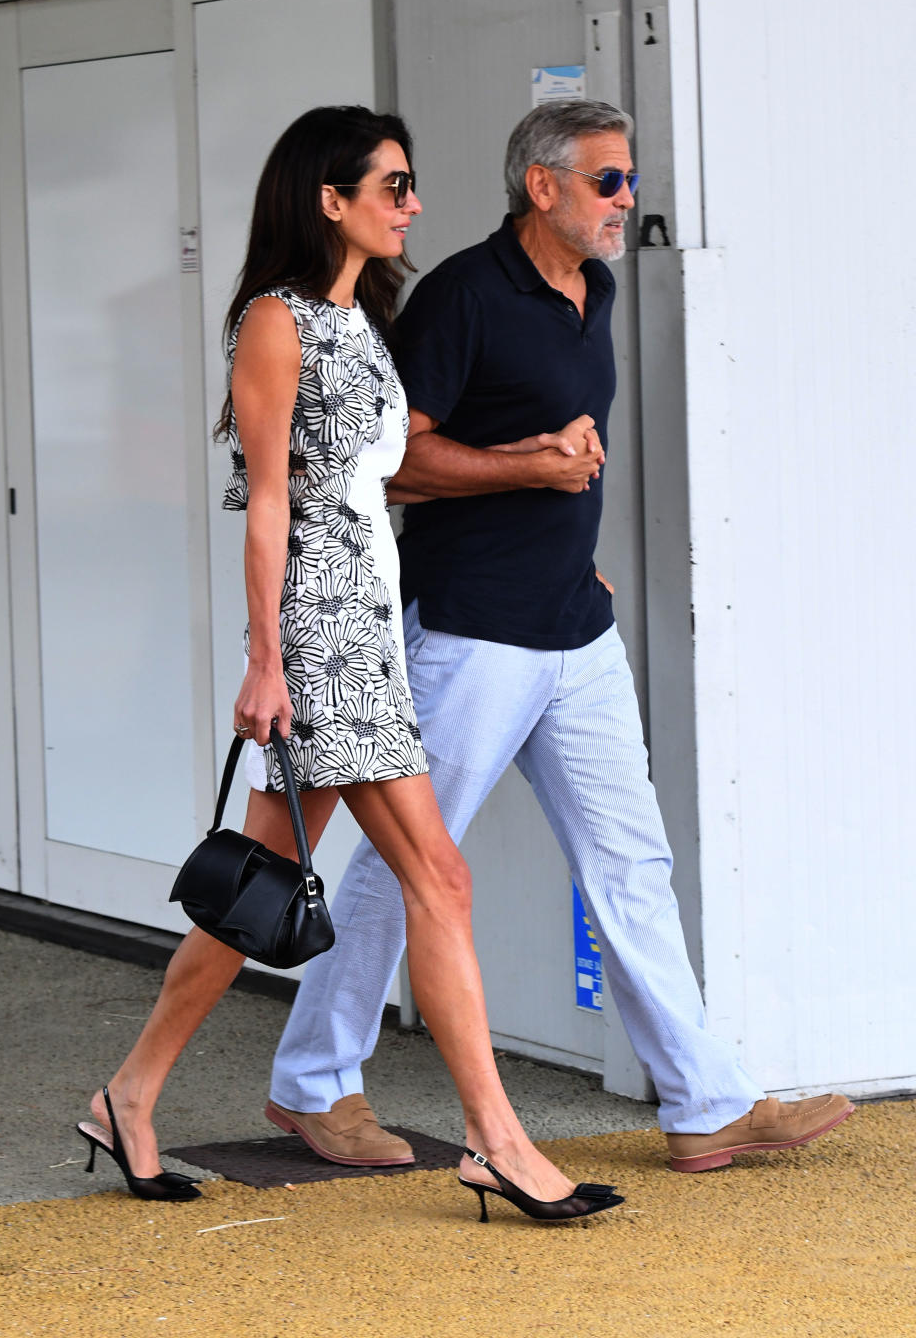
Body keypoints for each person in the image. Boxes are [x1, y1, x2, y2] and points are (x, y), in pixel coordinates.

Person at [265, 99, 854, 1176]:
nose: (627, 201)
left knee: (633, 861)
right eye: (608, 182)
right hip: (473, 631)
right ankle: (312, 1084)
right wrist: (528, 472)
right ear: (543, 186)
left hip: (575, 630)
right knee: (407, 867)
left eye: (629, 181)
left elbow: (563, 445)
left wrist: (566, 541)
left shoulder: (599, 290)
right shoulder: (463, 299)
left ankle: (702, 1100)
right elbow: (395, 467)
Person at [76, 105, 622, 1224]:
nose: (411, 204)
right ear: (329, 200)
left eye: (410, 186)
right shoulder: (276, 324)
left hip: (366, 617)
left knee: (257, 892)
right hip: (320, 633)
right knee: (441, 876)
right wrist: (267, 658)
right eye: (392, 186)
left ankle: (127, 1096)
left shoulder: (358, 319)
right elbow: (270, 504)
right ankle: (501, 1143)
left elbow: (383, 480)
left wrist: (526, 464)